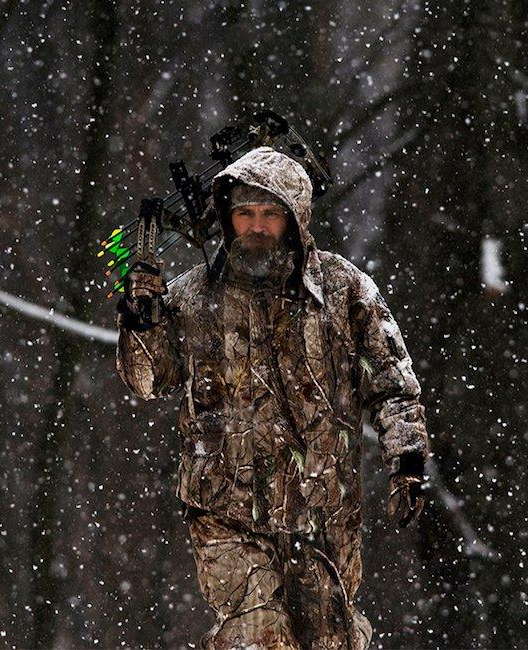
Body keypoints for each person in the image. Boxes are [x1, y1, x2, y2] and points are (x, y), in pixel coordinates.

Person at [115, 146, 430, 649]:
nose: (256, 227)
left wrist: (408, 459)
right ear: (227, 218)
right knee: (257, 637)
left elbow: (391, 381)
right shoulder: (194, 296)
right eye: (244, 213)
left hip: (325, 514)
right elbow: (149, 380)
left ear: (295, 219)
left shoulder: (343, 290)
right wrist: (140, 319)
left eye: (269, 214)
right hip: (226, 511)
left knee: (330, 641)